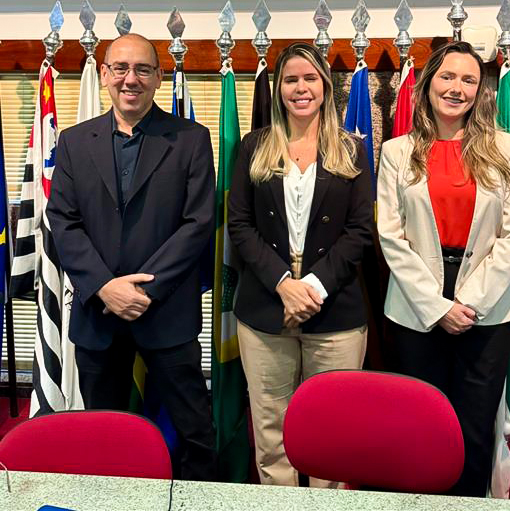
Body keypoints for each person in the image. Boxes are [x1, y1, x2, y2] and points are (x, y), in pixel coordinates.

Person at [47, 33, 217, 480]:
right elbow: (62, 220)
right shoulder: (73, 142)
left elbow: (198, 223)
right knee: (104, 437)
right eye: (120, 68)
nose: (131, 79)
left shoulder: (191, 139)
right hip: (99, 316)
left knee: (196, 434)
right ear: (104, 74)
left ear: (159, 77)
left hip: (167, 314)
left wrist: (143, 290)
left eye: (142, 69)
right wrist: (105, 287)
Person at [377, 40, 510, 497]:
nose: (456, 88)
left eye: (468, 80)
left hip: (488, 305)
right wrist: (437, 306)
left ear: (480, 91)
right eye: (447, 77)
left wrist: (469, 301)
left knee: (474, 429)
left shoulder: (503, 147)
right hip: (415, 306)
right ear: (428, 84)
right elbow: (391, 235)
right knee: (421, 427)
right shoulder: (397, 152)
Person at [228, 42, 373, 487]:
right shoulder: (253, 147)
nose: (300, 88)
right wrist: (282, 283)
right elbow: (239, 225)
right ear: (278, 89)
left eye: (310, 78)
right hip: (264, 305)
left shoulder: (351, 149)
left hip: (334, 308)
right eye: (290, 80)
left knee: (333, 429)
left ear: (325, 86)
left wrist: (311, 286)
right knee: (271, 430)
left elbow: (360, 230)